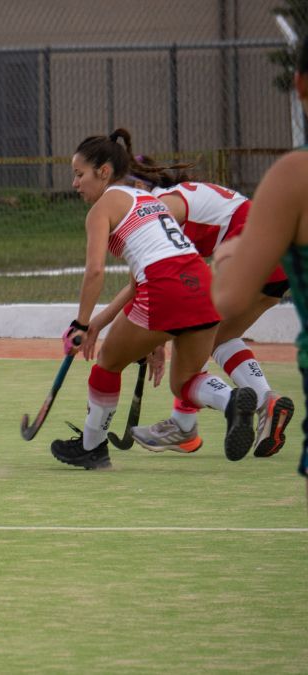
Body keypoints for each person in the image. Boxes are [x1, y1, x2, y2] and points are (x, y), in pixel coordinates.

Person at [51, 128, 255, 470]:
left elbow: (95, 272)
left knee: (108, 363)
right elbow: (136, 283)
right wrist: (103, 324)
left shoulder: (102, 208)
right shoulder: (149, 201)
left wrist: (80, 323)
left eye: (79, 174)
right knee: (184, 382)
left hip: (164, 287)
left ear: (103, 172)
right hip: (202, 284)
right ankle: (232, 400)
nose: (75, 183)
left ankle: (92, 447)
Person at [122, 163, 294, 456]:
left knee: (193, 332)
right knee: (218, 338)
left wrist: (157, 338)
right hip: (281, 258)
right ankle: (268, 401)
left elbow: (162, 278)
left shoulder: (161, 206)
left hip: (250, 250)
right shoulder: (182, 197)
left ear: (139, 189)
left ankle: (184, 426)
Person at [212, 37, 308, 499]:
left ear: (299, 85)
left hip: (269, 272)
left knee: (201, 336)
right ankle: (266, 402)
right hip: (275, 278)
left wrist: (230, 259)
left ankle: (186, 420)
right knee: (222, 336)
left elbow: (227, 296)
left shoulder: (294, 176)